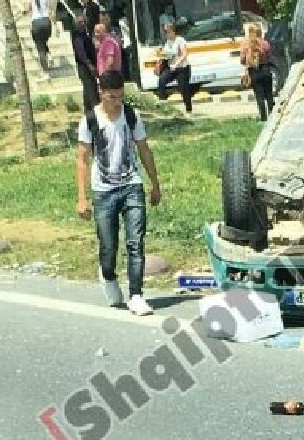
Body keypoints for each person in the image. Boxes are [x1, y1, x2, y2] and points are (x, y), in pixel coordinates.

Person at [76, 69, 162, 315]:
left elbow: (144, 149)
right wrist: (82, 198)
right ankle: (108, 275)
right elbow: (81, 159)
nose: (116, 103)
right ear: (101, 93)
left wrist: (155, 184)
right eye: (111, 97)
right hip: (103, 191)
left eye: (120, 97)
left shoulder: (131, 115)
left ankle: (136, 295)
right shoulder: (90, 120)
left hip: (131, 185)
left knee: (136, 242)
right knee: (108, 245)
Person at [240, 24, 274, 121]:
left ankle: (263, 118)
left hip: (254, 72)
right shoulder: (265, 43)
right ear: (260, 33)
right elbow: (269, 57)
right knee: (269, 94)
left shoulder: (245, 45)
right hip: (265, 70)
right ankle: (272, 116)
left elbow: (242, 60)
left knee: (259, 96)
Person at [157, 23, 193, 115]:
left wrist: (176, 64)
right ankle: (163, 105)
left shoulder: (180, 40)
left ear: (173, 31)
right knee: (161, 80)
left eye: (168, 32)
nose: (167, 34)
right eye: (165, 32)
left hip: (182, 68)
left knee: (183, 89)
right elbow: (167, 55)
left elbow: (184, 54)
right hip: (171, 68)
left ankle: (189, 110)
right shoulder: (167, 42)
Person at [72, 14, 99, 111]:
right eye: (80, 22)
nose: (83, 24)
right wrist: (89, 65)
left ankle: (88, 112)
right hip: (84, 67)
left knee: (88, 91)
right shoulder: (77, 36)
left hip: (88, 66)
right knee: (92, 91)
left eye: (84, 22)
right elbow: (81, 53)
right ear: (76, 24)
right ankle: (96, 113)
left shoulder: (85, 34)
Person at [23, 0, 53, 75]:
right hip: (46, 22)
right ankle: (48, 55)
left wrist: (24, 11)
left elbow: (27, 9)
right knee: (44, 41)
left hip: (36, 23)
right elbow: (50, 9)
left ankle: (46, 72)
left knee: (40, 49)